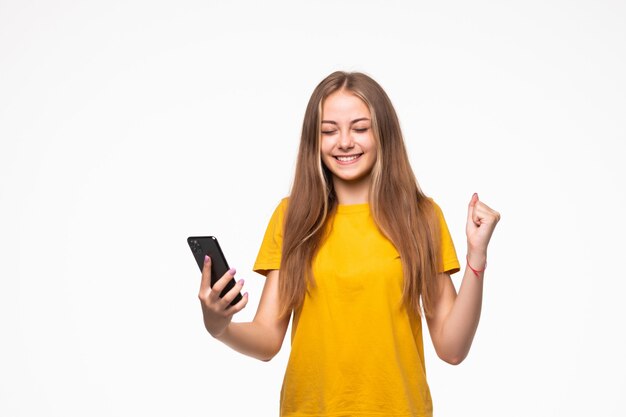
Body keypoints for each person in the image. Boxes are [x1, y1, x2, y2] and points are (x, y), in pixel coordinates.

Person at [197, 71, 501, 417]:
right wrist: (219, 326)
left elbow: (452, 348)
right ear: (314, 139)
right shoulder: (291, 216)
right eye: (329, 131)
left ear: (383, 133)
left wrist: (477, 258)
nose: (344, 142)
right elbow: (267, 339)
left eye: (360, 128)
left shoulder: (420, 216)